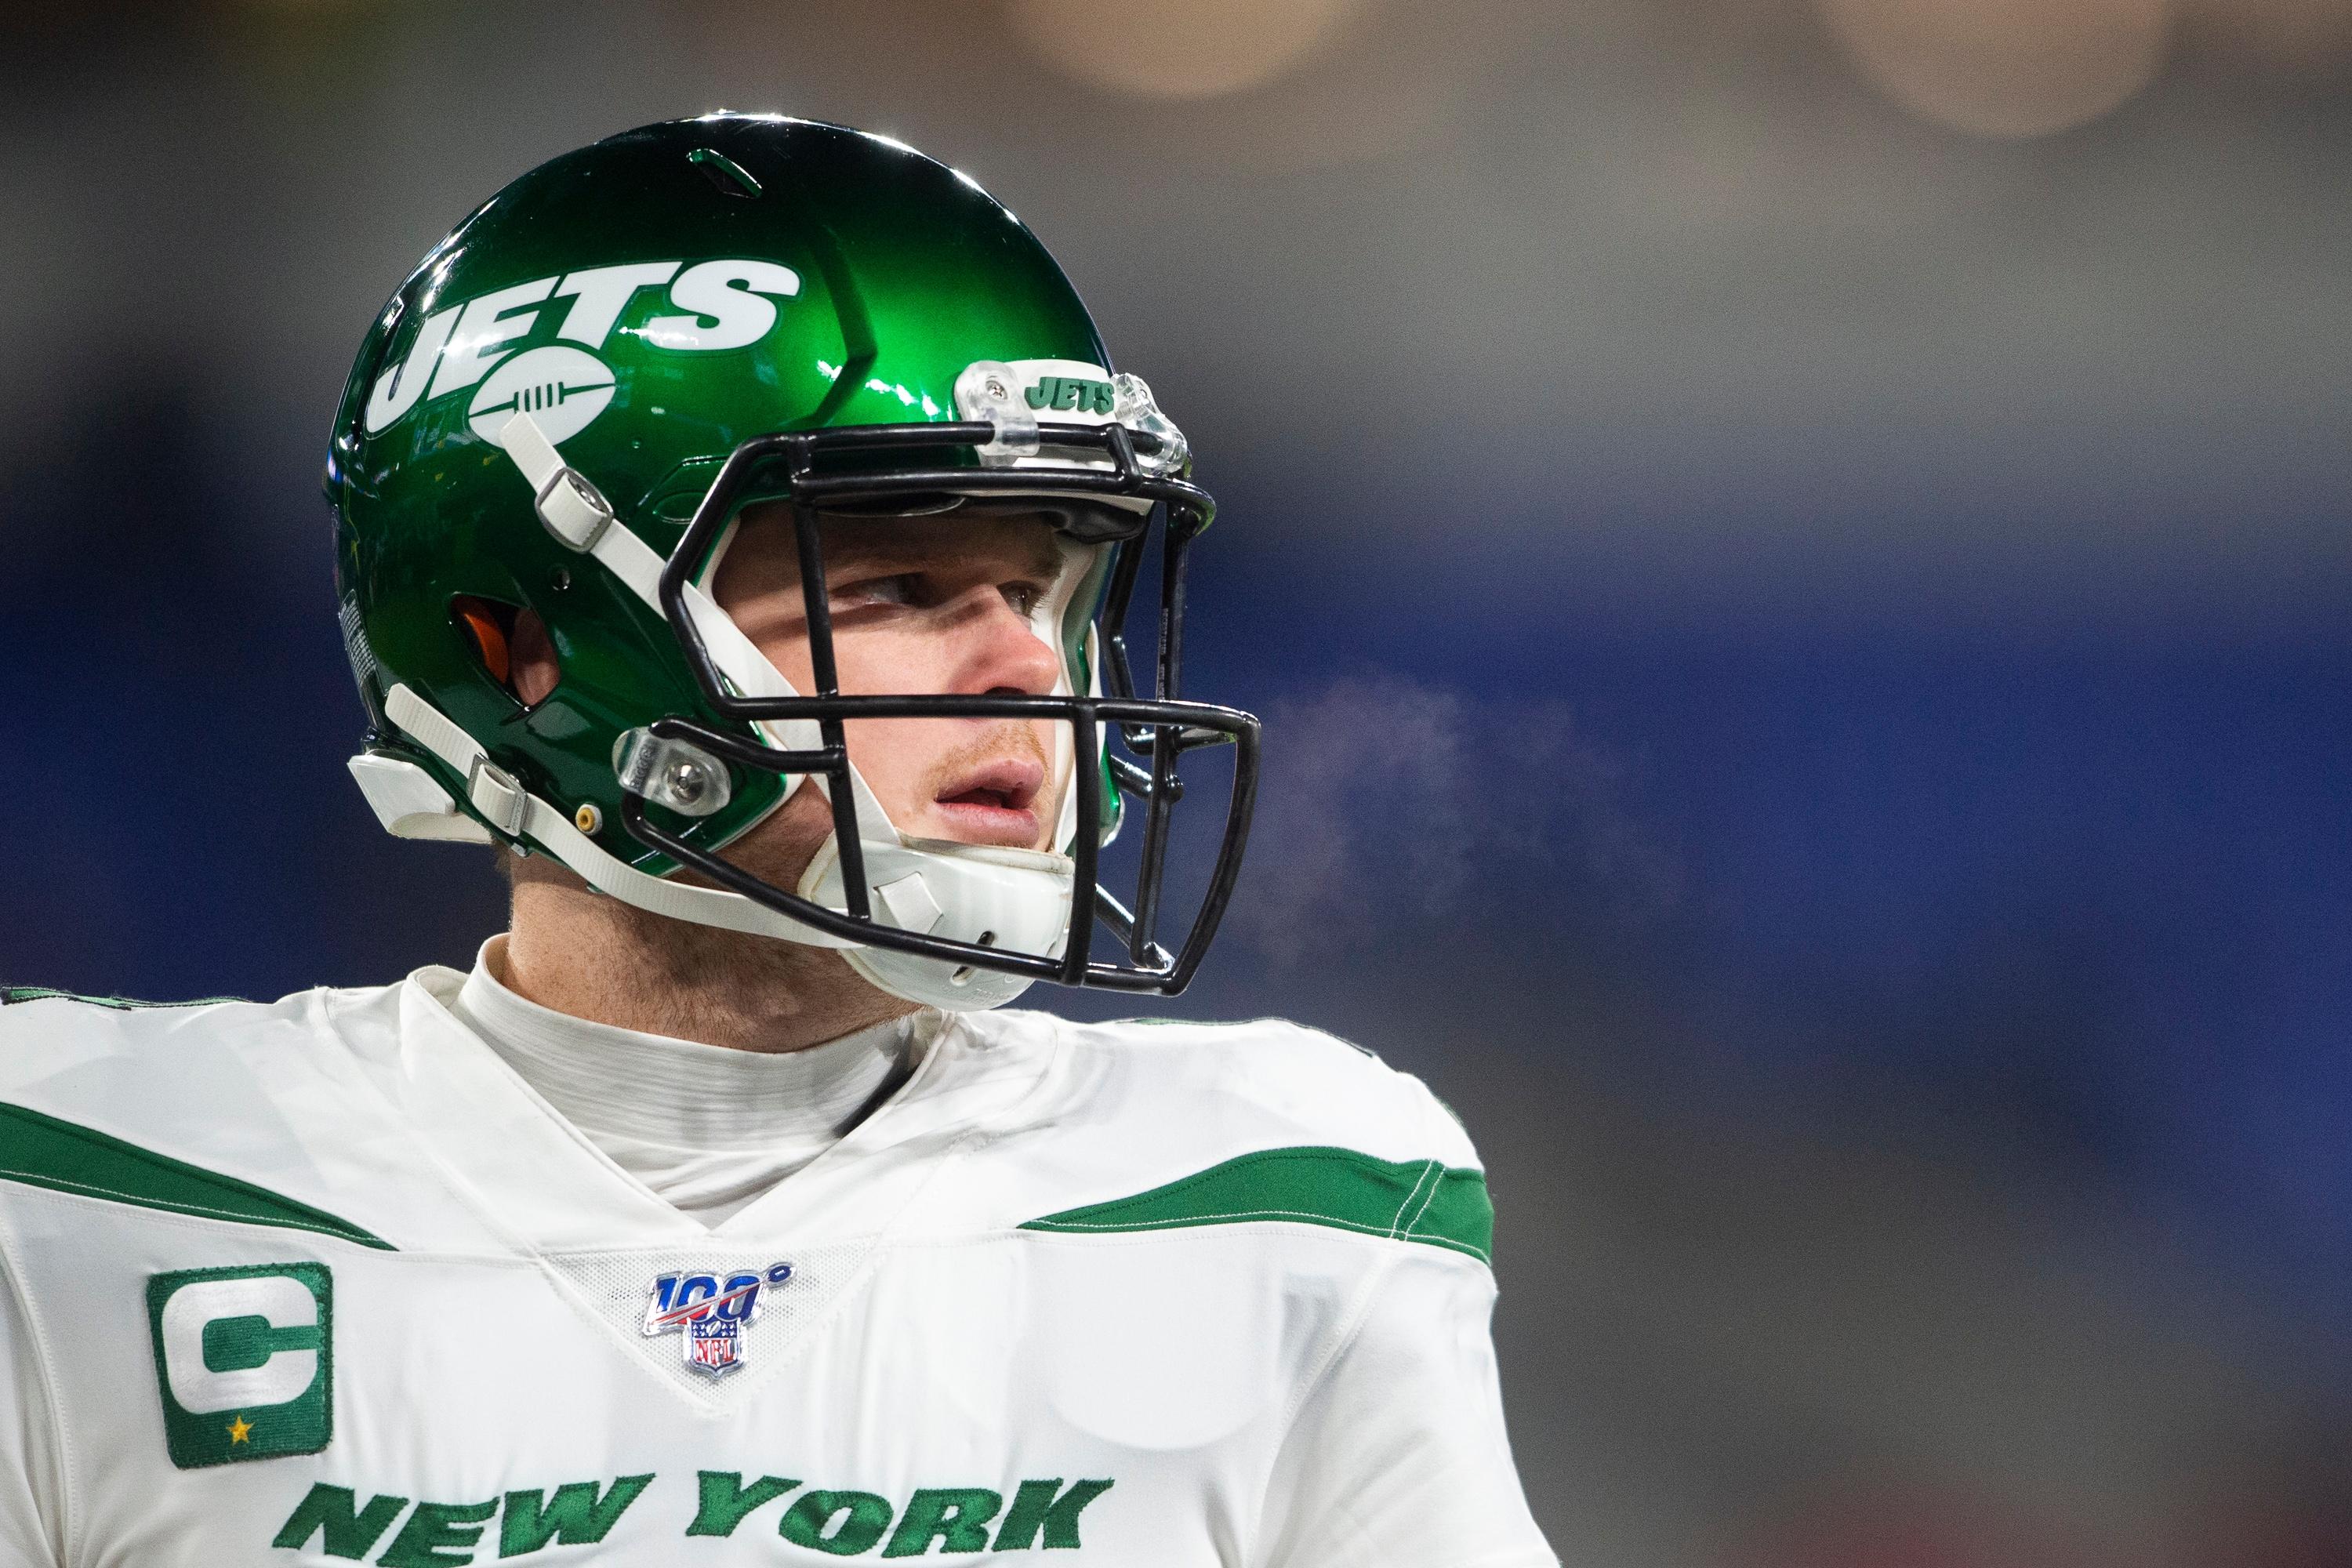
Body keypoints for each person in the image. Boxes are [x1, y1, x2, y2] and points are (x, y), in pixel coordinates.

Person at [0, 115, 1552, 1566]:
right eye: (894, 586)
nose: (1023, 665)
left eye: (1043, 588)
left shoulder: (1287, 1200)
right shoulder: (84, 1197)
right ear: (522, 643)